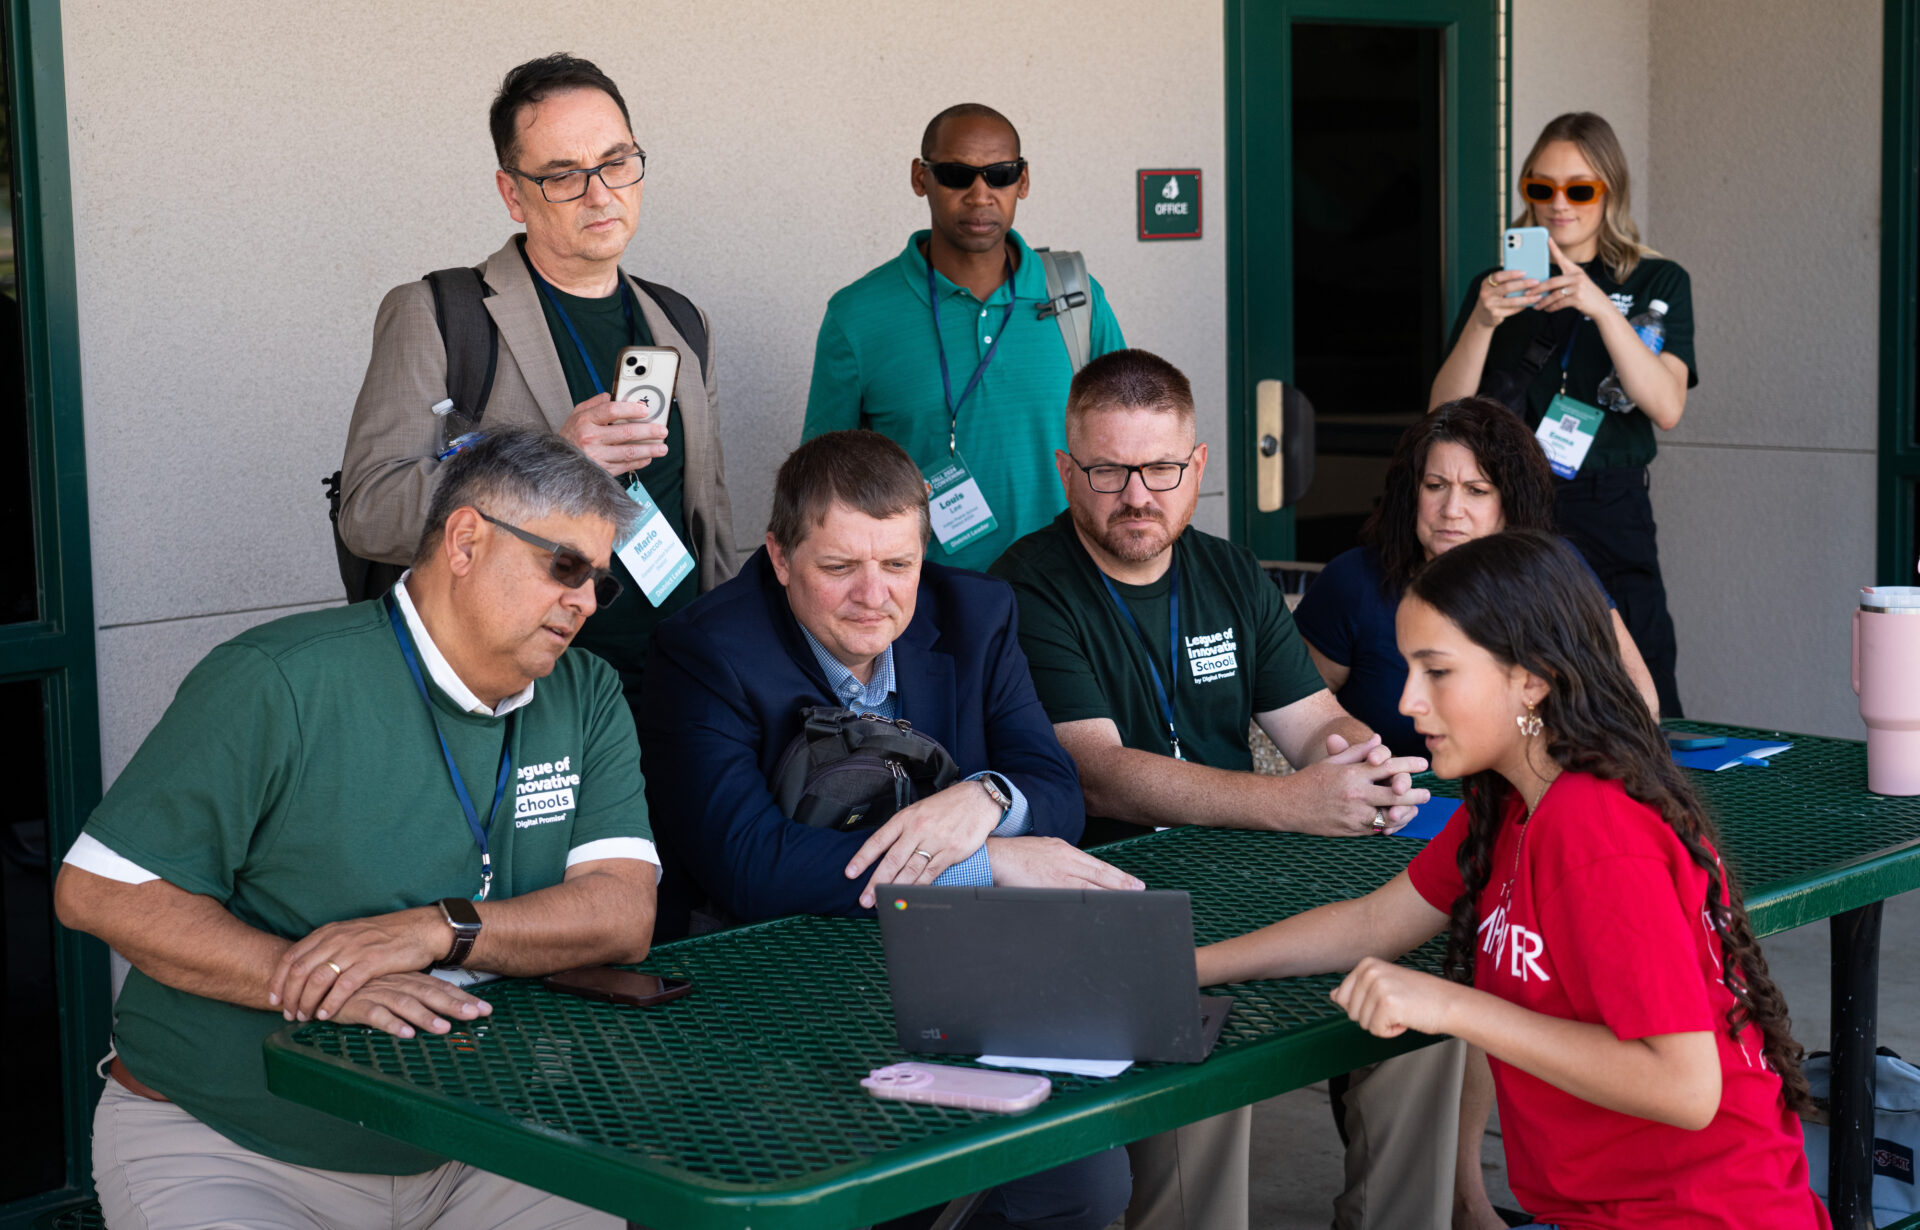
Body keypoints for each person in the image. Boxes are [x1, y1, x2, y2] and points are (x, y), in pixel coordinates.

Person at [54, 430, 659, 1229]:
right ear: (467, 541)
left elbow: (623, 913)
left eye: (600, 585)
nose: (583, 599)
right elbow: (99, 891)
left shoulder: (585, 693)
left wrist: (440, 930)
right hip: (233, 1144)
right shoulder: (280, 678)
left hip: (493, 1146)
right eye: (565, 566)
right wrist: (326, 978)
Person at [1200, 531, 1829, 1230]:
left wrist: (1453, 1007)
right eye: (1409, 668)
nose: (1408, 701)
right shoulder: (1509, 801)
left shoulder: (1597, 826)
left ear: (1530, 677)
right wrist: (1191, 966)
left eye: (1437, 672)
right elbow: (1373, 924)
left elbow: (1686, 1087)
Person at [637, 429, 1134, 1230]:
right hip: (767, 1000)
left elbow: (1057, 789)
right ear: (779, 555)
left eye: (899, 564)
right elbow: (750, 865)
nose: (875, 595)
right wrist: (987, 864)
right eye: (839, 568)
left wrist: (983, 798)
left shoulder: (978, 613)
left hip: (957, 975)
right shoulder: (706, 649)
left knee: (1080, 1184)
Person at [989, 348, 1433, 1230]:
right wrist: (1295, 803)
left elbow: (1312, 718)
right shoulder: (1025, 586)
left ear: (1196, 468)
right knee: (1213, 1050)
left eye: (1159, 468)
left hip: (1253, 877)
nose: (1137, 496)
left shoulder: (1229, 570)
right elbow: (1102, 774)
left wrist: (1363, 761)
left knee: (1421, 992)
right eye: (1109, 470)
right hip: (1107, 895)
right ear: (1066, 469)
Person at [339, 52, 738, 710]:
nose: (601, 193)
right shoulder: (439, 313)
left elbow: (711, 522)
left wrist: (732, 669)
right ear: (512, 193)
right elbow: (369, 512)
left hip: (683, 688)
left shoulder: (683, 323)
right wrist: (551, 460)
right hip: (521, 697)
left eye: (617, 162)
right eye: (563, 176)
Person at [1429, 112, 1693, 718]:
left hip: (1609, 501)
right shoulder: (1498, 284)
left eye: (1579, 189)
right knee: (1520, 672)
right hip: (1513, 501)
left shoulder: (1655, 279)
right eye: (1540, 188)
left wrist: (1600, 307)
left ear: (1610, 190)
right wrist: (1484, 319)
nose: (1558, 205)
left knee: (1639, 672)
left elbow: (1666, 405)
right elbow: (1443, 413)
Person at [802, 103, 1126, 572]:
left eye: (1000, 174)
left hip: (1070, 593)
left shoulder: (1078, 299)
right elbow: (822, 486)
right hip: (927, 605)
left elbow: (1131, 449)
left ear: (1024, 180)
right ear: (920, 178)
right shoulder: (857, 315)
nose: (980, 194)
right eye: (956, 174)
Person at [1295, 396, 1659, 761]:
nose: (1452, 510)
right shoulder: (1353, 581)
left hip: (1527, 795)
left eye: (1477, 490)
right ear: (1412, 493)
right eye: (1435, 486)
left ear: (1510, 505)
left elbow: (1636, 699)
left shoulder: (1553, 569)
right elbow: (1298, 710)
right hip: (1394, 802)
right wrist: (1360, 768)